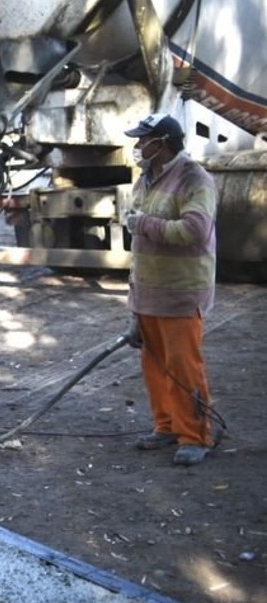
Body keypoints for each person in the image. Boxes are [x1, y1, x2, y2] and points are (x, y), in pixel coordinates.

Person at [120, 113, 220, 466]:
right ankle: (166, 426)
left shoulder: (194, 178)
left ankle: (195, 435)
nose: (137, 146)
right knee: (155, 366)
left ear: (161, 143)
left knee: (183, 367)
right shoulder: (146, 178)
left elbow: (195, 230)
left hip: (181, 292)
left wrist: (144, 224)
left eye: (142, 140)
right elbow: (139, 247)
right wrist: (134, 301)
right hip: (149, 292)